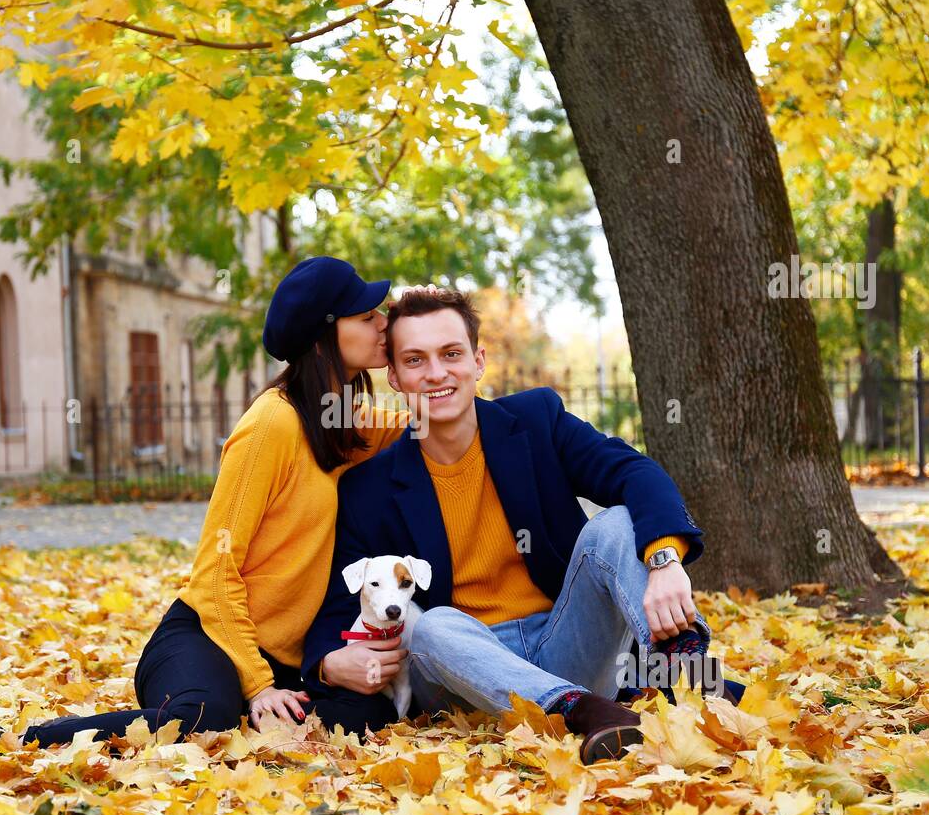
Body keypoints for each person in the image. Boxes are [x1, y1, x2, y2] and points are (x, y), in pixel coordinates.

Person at [0, 257, 411, 752]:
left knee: (367, 712)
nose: (383, 325)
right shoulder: (271, 425)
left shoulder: (339, 421)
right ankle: (7, 738)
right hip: (206, 637)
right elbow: (215, 570)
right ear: (324, 334)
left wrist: (412, 366)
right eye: (368, 317)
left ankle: (249, 710)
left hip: (283, 655)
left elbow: (426, 421)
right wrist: (259, 685)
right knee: (202, 718)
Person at [302, 287, 744, 764]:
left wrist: (664, 561)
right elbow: (339, 601)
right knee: (431, 627)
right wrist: (327, 663)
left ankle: (681, 662)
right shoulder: (370, 488)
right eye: (415, 360)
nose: (436, 373)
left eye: (451, 354)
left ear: (478, 360)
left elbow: (632, 472)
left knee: (614, 524)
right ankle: (586, 709)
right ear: (394, 376)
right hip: (467, 669)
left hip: (566, 640)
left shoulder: (536, 421)